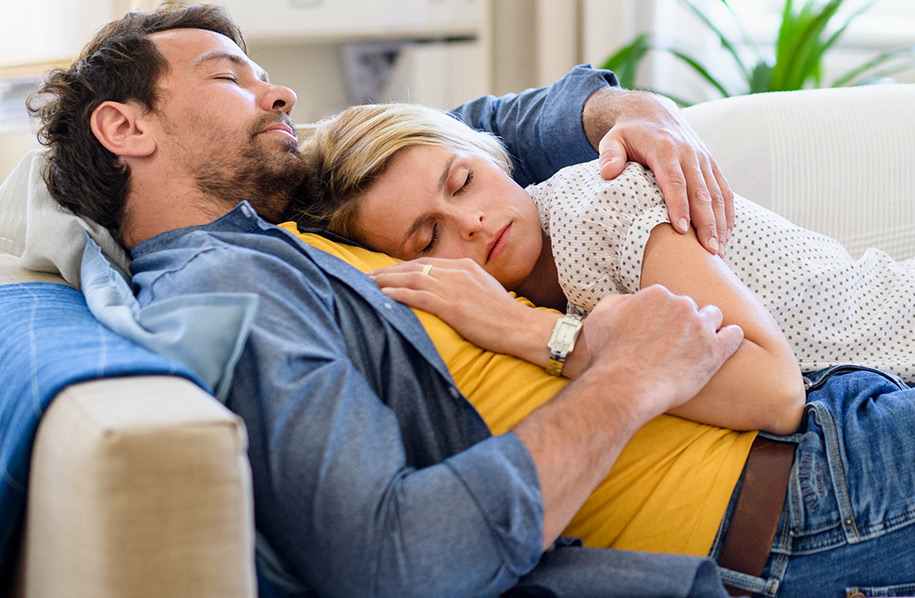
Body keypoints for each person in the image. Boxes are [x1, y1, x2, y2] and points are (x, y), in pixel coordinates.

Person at [29, 3, 915, 598]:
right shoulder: (229, 289)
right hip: (811, 495)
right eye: (229, 78)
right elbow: (393, 557)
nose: (281, 95)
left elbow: (458, 133)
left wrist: (623, 109)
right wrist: (625, 377)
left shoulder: (290, 215)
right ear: (126, 129)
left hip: (835, 421)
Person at [290, 101, 915, 403]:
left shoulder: (601, 206)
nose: (473, 223)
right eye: (431, 237)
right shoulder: (515, 282)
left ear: (490, 154)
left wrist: (532, 331)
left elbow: (772, 390)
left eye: (463, 182)